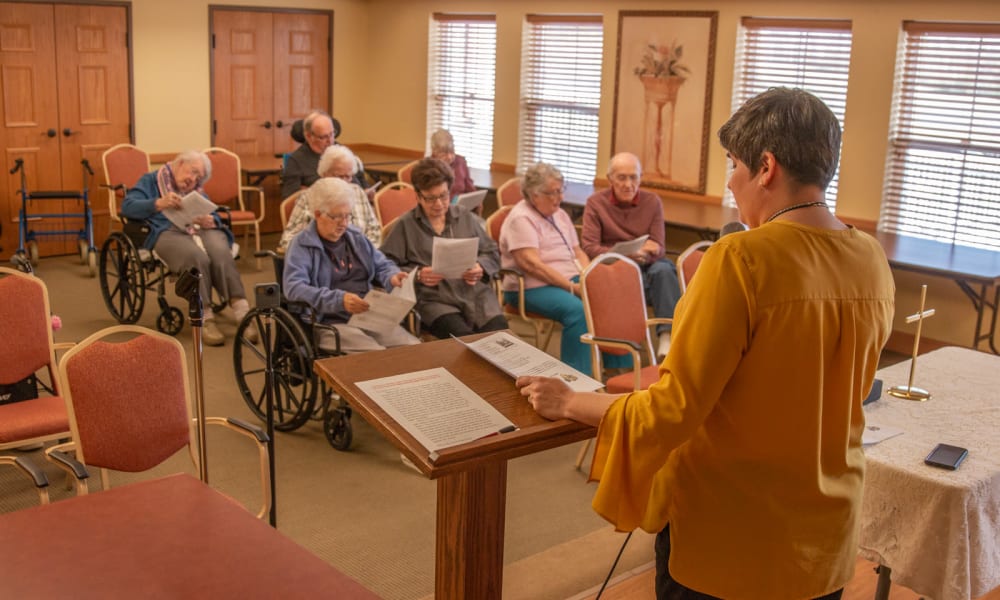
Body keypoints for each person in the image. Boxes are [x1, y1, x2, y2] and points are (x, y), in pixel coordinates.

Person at [516, 88, 896, 600]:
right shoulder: (870, 258)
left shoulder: (740, 259)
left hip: (734, 538)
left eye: (733, 165)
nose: (733, 183)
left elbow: (675, 408)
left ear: (766, 167)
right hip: (825, 535)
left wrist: (570, 401)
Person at [498, 162, 629, 376]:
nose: (560, 197)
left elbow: (577, 251)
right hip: (531, 288)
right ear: (534, 194)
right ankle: (577, 379)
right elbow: (533, 265)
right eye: (553, 193)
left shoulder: (559, 213)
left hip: (568, 278)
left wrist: (588, 277)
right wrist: (571, 287)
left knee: (608, 295)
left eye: (561, 190)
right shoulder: (520, 219)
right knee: (577, 310)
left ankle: (615, 370)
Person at [121, 151, 254, 346]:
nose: (193, 180)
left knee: (220, 251)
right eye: (192, 172)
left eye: (198, 177)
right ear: (180, 163)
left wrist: (211, 220)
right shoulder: (150, 180)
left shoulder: (197, 190)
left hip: (198, 229)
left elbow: (214, 213)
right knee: (195, 257)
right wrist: (157, 203)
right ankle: (206, 317)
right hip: (166, 230)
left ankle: (242, 311)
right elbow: (128, 207)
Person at [283, 177, 419, 353]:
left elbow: (382, 264)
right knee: (377, 356)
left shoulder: (355, 237)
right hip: (329, 322)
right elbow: (294, 288)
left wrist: (392, 276)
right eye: (337, 217)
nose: (344, 223)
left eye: (348, 215)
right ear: (318, 214)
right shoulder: (302, 245)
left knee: (414, 349)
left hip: (368, 315)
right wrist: (339, 300)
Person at [380, 158, 507, 339]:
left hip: (475, 295)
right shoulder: (405, 225)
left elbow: (492, 251)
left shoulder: (464, 216)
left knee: (501, 338)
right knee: (463, 341)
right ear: (417, 197)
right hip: (435, 300)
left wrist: (480, 266)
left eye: (443, 196)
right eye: (430, 198)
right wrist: (417, 274)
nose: (439, 204)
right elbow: (385, 265)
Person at [581, 152, 681, 359]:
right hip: (613, 269)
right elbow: (590, 247)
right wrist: (623, 255)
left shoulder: (652, 202)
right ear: (610, 179)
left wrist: (643, 254)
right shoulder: (595, 203)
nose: (628, 184)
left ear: (640, 178)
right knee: (651, 284)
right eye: (621, 178)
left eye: (633, 177)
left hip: (646, 266)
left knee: (664, 270)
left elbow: (659, 247)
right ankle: (621, 353)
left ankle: (666, 337)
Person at [278, 145, 381, 253]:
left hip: (361, 258)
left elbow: (374, 230)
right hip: (325, 259)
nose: (345, 182)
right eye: (340, 177)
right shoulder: (309, 197)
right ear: (324, 174)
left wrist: (365, 252)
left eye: (349, 176)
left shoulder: (358, 192)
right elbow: (287, 240)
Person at [281, 110, 336, 199]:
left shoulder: (341, 152)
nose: (330, 141)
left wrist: (308, 189)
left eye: (332, 134)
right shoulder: (296, 160)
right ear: (309, 136)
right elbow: (290, 199)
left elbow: (358, 186)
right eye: (323, 137)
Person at [429, 129, 476, 197]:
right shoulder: (427, 167)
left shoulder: (461, 161)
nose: (449, 157)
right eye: (444, 153)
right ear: (434, 151)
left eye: (451, 151)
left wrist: (477, 202)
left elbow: (470, 188)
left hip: (462, 206)